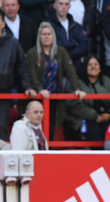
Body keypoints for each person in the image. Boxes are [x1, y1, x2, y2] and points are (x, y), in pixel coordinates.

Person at [26, 21, 86, 141]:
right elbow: (31, 75)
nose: (47, 36)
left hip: (53, 98)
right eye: (44, 34)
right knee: (34, 131)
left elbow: (70, 71)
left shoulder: (61, 52)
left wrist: (77, 88)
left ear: (53, 36)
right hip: (36, 98)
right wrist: (40, 90)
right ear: (39, 37)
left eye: (49, 34)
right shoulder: (32, 53)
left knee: (50, 130)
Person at [64, 55, 110, 143]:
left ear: (100, 68)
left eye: (96, 64)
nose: (93, 66)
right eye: (90, 64)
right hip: (85, 118)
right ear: (85, 67)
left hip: (106, 117)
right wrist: (95, 116)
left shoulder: (107, 81)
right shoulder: (77, 83)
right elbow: (73, 105)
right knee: (93, 131)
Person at [0, 9, 36, 142]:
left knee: (1, 127)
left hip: (4, 91)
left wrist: (27, 86)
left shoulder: (12, 43)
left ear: (3, 24)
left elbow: (23, 67)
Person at [45, 0, 89, 76]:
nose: (64, 7)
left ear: (69, 7)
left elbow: (84, 46)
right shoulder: (48, 25)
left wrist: (68, 55)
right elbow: (52, 45)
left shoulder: (76, 26)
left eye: (66, 4)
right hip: (54, 71)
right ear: (55, 6)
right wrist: (73, 43)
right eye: (61, 4)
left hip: (75, 70)